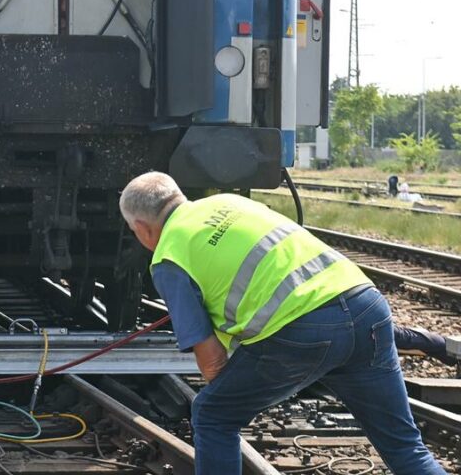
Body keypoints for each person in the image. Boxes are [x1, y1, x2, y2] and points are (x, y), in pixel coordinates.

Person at [119, 171, 445, 475]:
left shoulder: (169, 256)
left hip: (302, 330)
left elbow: (212, 358)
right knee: (405, 447)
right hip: (366, 306)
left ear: (142, 227)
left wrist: (233, 393)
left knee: (213, 414)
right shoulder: (231, 202)